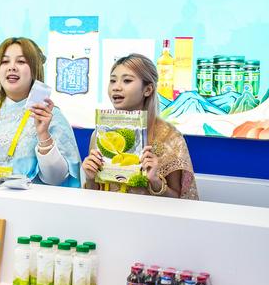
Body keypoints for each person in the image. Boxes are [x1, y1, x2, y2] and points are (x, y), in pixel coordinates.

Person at [0, 37, 81, 186]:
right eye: (5, 61)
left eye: (21, 61)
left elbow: (56, 178)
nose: (12, 67)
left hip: (29, 199)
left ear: (35, 69)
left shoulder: (49, 115)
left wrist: (43, 135)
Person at [81, 54, 199, 199]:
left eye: (127, 80)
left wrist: (155, 181)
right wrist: (90, 178)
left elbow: (180, 200)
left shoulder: (170, 137)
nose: (116, 87)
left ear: (148, 89)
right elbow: (94, 196)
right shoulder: (100, 135)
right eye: (112, 80)